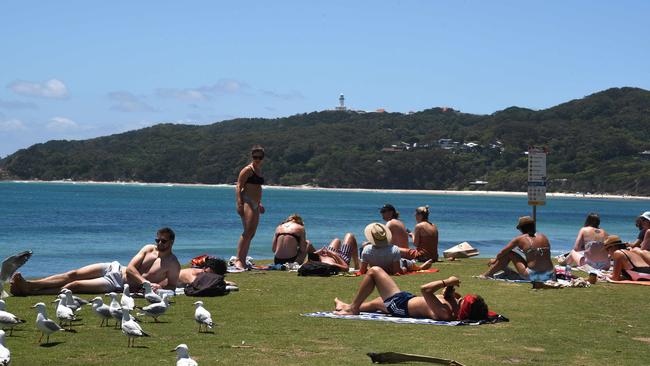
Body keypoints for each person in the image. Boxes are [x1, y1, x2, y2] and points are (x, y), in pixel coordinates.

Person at [10, 227, 181, 295]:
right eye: (157, 240)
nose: (159, 243)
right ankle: (30, 284)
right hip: (115, 267)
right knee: (73, 273)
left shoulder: (173, 264)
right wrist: (146, 282)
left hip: (117, 283)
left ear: (171, 242)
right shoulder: (148, 248)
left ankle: (30, 291)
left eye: (163, 241)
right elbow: (130, 268)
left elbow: (172, 286)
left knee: (75, 285)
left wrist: (159, 287)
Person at [334, 266, 488, 321]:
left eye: (463, 302)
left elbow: (425, 289)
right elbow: (447, 296)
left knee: (374, 271)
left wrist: (447, 281)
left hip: (400, 305)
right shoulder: (454, 307)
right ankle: (346, 306)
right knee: (375, 304)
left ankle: (352, 309)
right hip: (405, 300)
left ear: (464, 309)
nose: (460, 299)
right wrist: (449, 291)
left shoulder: (445, 314)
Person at [482, 216, 555, 283]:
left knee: (509, 253)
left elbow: (502, 252)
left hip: (533, 276)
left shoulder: (520, 238)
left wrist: (495, 260)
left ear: (522, 228)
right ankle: (507, 271)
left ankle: (487, 275)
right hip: (550, 274)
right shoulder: (543, 236)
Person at [234, 145, 266, 270]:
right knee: (247, 231)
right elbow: (238, 186)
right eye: (255, 157)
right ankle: (238, 260)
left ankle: (243, 258)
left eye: (260, 157)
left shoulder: (258, 169)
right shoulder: (247, 170)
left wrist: (260, 203)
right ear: (251, 156)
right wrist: (239, 203)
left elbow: (257, 188)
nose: (257, 159)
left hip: (256, 203)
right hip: (247, 201)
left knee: (252, 233)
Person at [359, 223, 433, 275]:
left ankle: (418, 267)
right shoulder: (394, 249)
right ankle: (419, 267)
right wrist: (404, 269)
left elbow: (362, 271)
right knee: (405, 262)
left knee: (403, 261)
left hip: (378, 269)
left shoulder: (366, 250)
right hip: (393, 266)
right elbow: (396, 271)